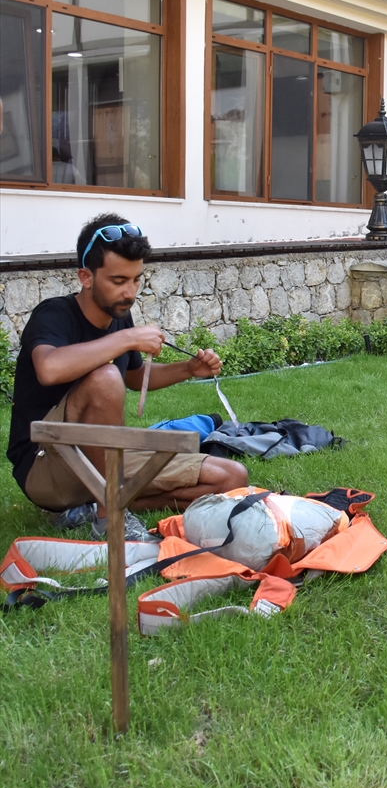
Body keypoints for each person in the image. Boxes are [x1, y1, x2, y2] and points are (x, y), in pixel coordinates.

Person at [5, 214, 248, 542]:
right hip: (47, 463)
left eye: (136, 280)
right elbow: (49, 369)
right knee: (104, 377)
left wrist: (188, 370)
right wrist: (126, 339)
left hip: (103, 454)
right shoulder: (54, 314)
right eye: (118, 281)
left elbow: (134, 376)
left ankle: (96, 504)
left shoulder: (119, 316)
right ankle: (110, 517)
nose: (129, 292)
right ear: (86, 277)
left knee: (231, 476)